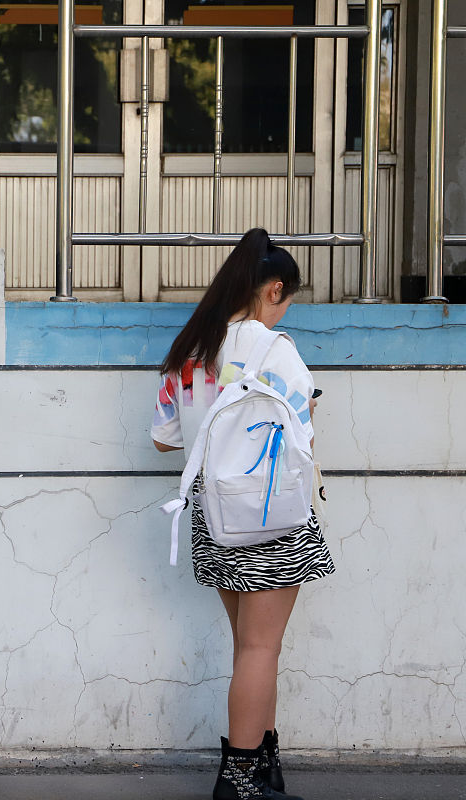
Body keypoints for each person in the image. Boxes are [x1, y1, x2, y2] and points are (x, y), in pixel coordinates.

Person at [151, 228, 334, 800]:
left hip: (211, 510)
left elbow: (164, 440)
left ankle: (263, 769)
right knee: (260, 648)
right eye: (287, 300)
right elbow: (302, 431)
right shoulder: (276, 351)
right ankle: (239, 783)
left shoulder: (191, 349)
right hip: (268, 513)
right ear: (274, 288)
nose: (284, 314)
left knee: (250, 647)